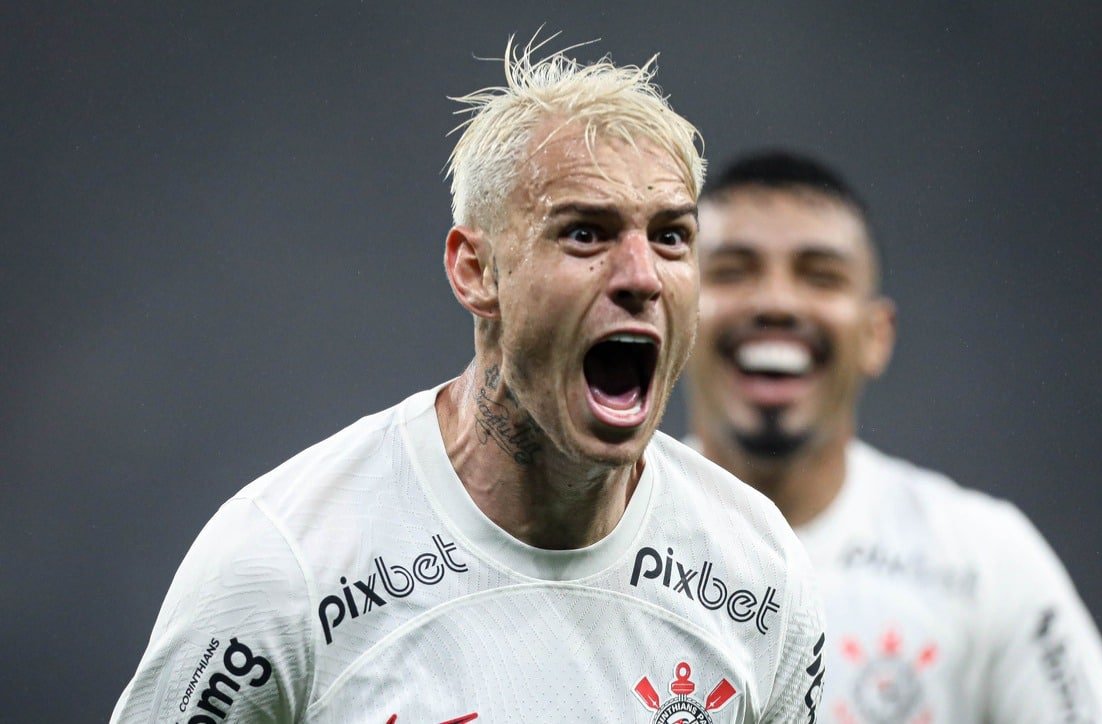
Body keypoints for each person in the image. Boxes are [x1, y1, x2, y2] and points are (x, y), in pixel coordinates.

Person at [111, 42, 826, 723]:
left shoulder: (756, 574)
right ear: (475, 271)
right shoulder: (285, 562)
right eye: (585, 233)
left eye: (671, 236)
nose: (641, 276)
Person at [686, 151, 1102, 723]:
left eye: (820, 275)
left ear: (877, 336)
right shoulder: (605, 541)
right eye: (733, 271)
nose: (776, 302)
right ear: (676, 316)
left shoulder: (983, 562)